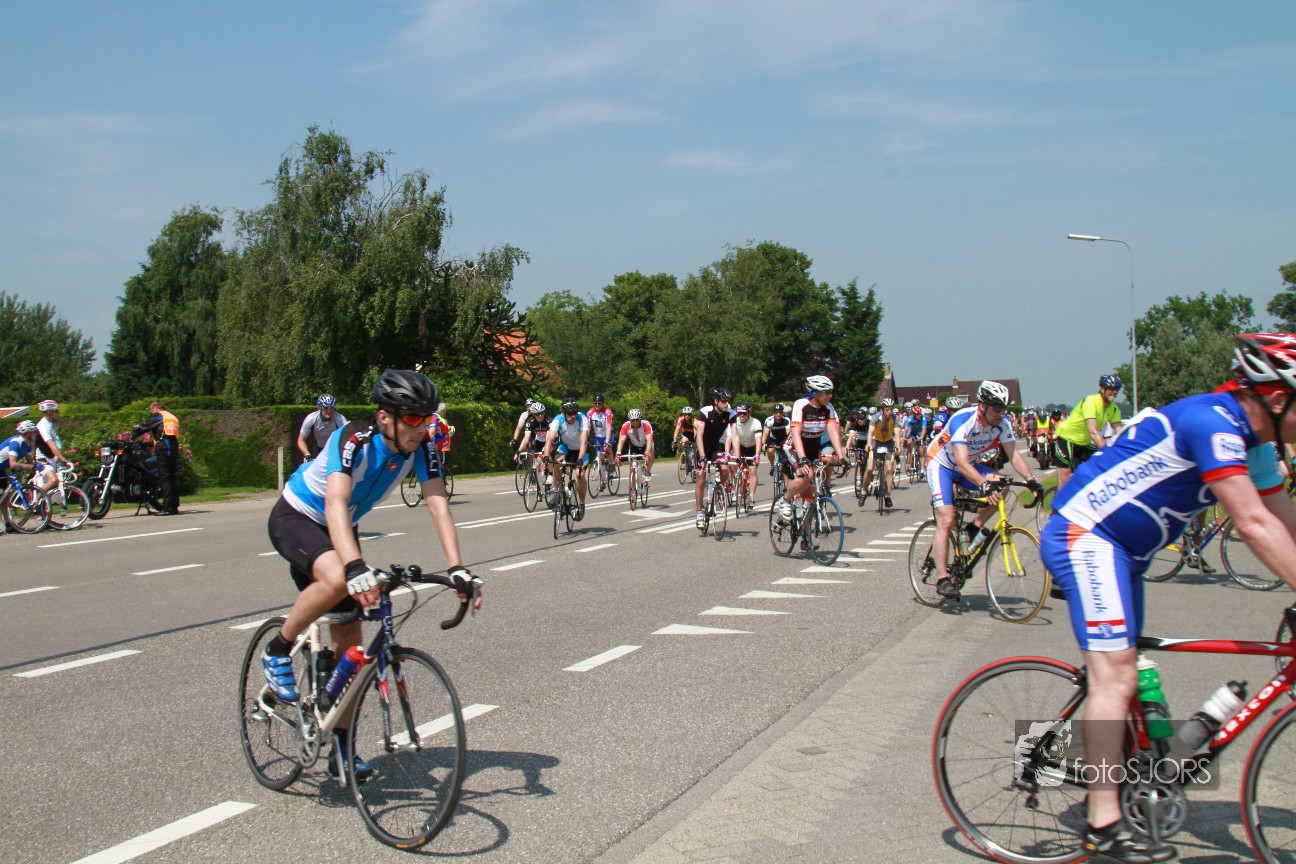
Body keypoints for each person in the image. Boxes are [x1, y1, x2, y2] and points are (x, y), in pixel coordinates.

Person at [1038, 334, 1296, 863]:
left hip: (1127, 551)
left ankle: (1127, 775)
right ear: (1277, 398)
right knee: (1116, 676)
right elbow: (1251, 523)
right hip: (1086, 535)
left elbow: (1285, 522)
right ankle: (1102, 825)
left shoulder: (1257, 446)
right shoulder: (1212, 422)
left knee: (1127, 668)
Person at [263, 369, 481, 781]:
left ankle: (341, 750)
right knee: (337, 580)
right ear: (385, 417)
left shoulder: (422, 446)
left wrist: (457, 568)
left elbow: (437, 502)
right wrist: (353, 566)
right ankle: (278, 649)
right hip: (300, 516)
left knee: (352, 645)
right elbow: (335, 502)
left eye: (428, 418)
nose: (423, 427)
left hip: (343, 528)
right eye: (413, 418)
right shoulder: (352, 439)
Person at [926, 381, 1042, 600]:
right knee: (947, 518)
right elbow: (961, 464)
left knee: (1003, 485)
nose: (1001, 413)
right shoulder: (963, 420)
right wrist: (984, 484)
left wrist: (1031, 480)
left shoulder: (1002, 424)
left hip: (969, 464)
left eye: (1004, 408)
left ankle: (973, 527)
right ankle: (942, 579)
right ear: (982, 406)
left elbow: (1014, 455)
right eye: (997, 409)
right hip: (942, 465)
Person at [775, 376, 843, 523]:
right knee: (807, 476)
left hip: (812, 448)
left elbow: (833, 433)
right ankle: (785, 500)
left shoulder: (828, 408)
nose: (831, 396)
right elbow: (796, 434)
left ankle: (805, 529)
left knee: (813, 487)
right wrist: (802, 458)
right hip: (794, 448)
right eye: (827, 392)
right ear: (816, 393)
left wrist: (842, 457)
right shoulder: (801, 405)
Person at [1052, 374, 1125, 489]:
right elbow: (1093, 432)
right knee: (1065, 480)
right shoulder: (1091, 401)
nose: (1114, 392)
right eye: (1111, 389)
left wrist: (1125, 451)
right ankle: (1059, 500)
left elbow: (1120, 431)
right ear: (1102, 389)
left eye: (1116, 389)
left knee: (1099, 467)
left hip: (1083, 442)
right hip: (1067, 438)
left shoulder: (1113, 408)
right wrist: (1108, 453)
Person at [694, 388, 737, 528]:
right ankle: (699, 512)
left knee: (724, 470)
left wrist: (737, 455)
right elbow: (699, 435)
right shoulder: (705, 412)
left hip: (715, 447)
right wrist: (702, 456)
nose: (727, 404)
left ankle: (715, 489)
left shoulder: (731, 413)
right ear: (716, 401)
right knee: (701, 481)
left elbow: (735, 436)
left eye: (728, 401)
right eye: (724, 401)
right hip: (701, 446)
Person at [542, 398, 591, 519]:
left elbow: (584, 442)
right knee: (556, 461)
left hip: (580, 449)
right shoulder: (558, 420)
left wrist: (579, 459)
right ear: (563, 412)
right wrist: (546, 456)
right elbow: (550, 440)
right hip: (566, 448)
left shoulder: (582, 419)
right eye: (570, 413)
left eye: (575, 413)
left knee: (579, 474)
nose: (573, 416)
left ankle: (581, 504)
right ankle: (556, 492)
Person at [132, 400, 182, 514]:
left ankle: (167, 508)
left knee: (164, 478)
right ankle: (174, 506)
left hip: (164, 449)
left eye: (151, 410)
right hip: (173, 447)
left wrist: (135, 433)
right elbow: (164, 434)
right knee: (171, 478)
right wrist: (148, 443)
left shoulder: (158, 416)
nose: (151, 413)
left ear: (155, 408)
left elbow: (146, 427)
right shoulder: (171, 417)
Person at [860, 398, 898, 508]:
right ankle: (864, 492)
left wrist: (898, 446)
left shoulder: (895, 418)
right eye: (887, 410)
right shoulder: (876, 417)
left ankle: (888, 495)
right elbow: (870, 432)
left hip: (889, 443)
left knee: (889, 470)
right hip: (876, 442)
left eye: (891, 409)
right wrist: (868, 444)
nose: (889, 412)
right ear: (882, 410)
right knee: (869, 468)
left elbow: (897, 434)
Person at [726, 402, 762, 502]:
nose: (741, 415)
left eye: (744, 413)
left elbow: (759, 440)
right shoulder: (734, 421)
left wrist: (757, 454)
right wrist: (727, 452)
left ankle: (751, 497)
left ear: (749, 413)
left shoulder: (756, 423)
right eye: (739, 413)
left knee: (752, 471)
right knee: (732, 467)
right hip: (739, 447)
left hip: (752, 448)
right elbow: (729, 438)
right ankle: (734, 490)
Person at [32, 399, 67, 496]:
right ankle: (36, 501)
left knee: (57, 490)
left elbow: (57, 445)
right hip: (42, 459)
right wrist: (64, 459)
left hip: (51, 459)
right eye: (56, 411)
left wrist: (58, 458)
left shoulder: (51, 425)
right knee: (53, 480)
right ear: (49, 412)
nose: (58, 413)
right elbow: (51, 444)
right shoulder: (42, 425)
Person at [298, 394, 348, 461]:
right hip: (318, 449)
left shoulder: (340, 419)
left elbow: (347, 439)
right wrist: (307, 455)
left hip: (334, 450)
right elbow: (301, 440)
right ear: (319, 408)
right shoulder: (311, 419)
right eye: (325, 408)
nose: (329, 411)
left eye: (331, 407)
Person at [616, 409, 655, 481]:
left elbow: (649, 440)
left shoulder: (646, 424)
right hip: (634, 445)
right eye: (632, 420)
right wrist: (618, 453)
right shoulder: (626, 426)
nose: (635, 422)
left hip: (646, 444)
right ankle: (632, 487)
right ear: (629, 420)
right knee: (632, 468)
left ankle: (647, 471)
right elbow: (621, 440)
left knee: (651, 454)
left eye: (637, 420)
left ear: (640, 419)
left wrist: (647, 453)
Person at [760, 403, 791, 478]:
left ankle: (787, 468)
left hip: (784, 439)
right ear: (773, 413)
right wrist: (763, 444)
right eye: (776, 412)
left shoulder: (786, 420)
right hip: (774, 439)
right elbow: (765, 432)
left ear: (782, 413)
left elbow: (788, 432)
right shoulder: (769, 420)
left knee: (786, 456)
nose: (778, 414)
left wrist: (787, 444)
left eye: (780, 412)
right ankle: (772, 465)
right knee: (770, 450)